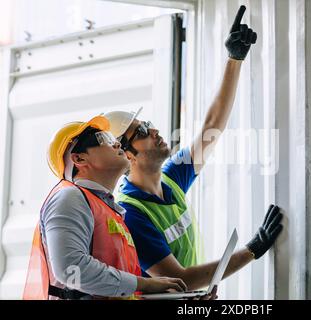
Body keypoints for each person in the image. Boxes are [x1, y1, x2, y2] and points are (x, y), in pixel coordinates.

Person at [104, 5, 283, 292]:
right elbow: (181, 278)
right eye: (140, 132)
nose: (153, 130)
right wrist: (253, 249)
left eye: (147, 123)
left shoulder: (172, 178)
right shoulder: (131, 214)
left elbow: (212, 127)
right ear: (126, 154)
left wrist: (234, 58)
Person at [23, 115, 190, 300]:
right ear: (79, 158)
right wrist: (144, 283)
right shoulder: (69, 197)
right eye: (104, 139)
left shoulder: (108, 210)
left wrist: (180, 301)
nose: (117, 144)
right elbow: (71, 270)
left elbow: (113, 291)